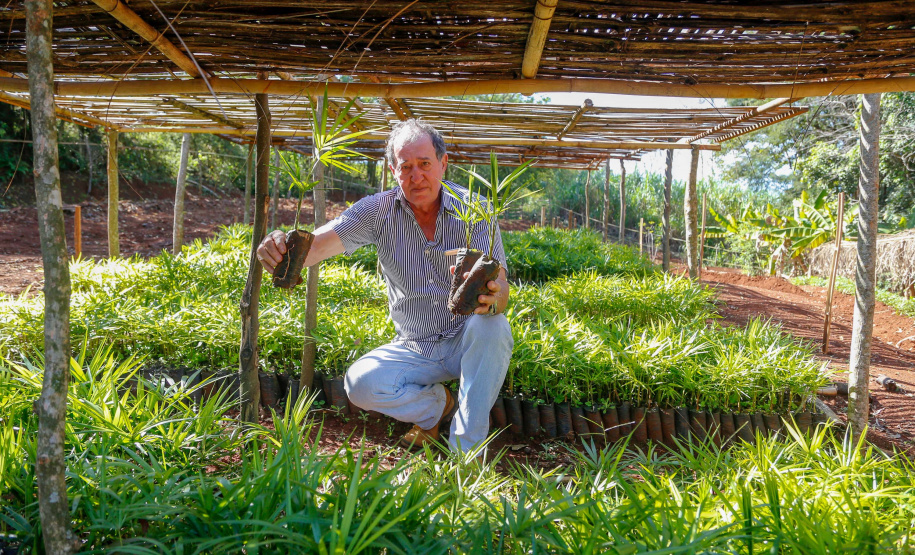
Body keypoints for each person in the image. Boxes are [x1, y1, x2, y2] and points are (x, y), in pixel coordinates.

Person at [256, 119, 514, 454]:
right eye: (405, 166)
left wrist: (494, 298)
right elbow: (313, 247)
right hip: (414, 346)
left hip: (466, 341)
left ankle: (466, 453)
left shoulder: (475, 211)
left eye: (424, 164)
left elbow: (501, 289)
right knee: (360, 384)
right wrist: (277, 247)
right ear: (392, 170)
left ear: (443, 163)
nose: (416, 176)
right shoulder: (377, 212)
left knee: (493, 326)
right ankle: (437, 408)